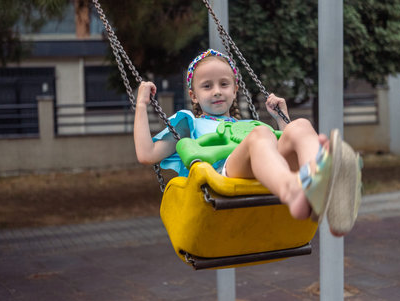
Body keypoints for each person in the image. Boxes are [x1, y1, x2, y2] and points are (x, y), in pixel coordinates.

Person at [134, 49, 361, 236]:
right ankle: (294, 190)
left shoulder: (248, 126)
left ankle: (321, 180)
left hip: (261, 169)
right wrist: (142, 106)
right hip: (218, 179)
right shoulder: (188, 123)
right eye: (207, 86)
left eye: (224, 84)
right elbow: (147, 154)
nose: (216, 91)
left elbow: (283, 146)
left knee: (299, 126)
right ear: (193, 95)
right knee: (261, 136)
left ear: (235, 89)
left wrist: (283, 117)